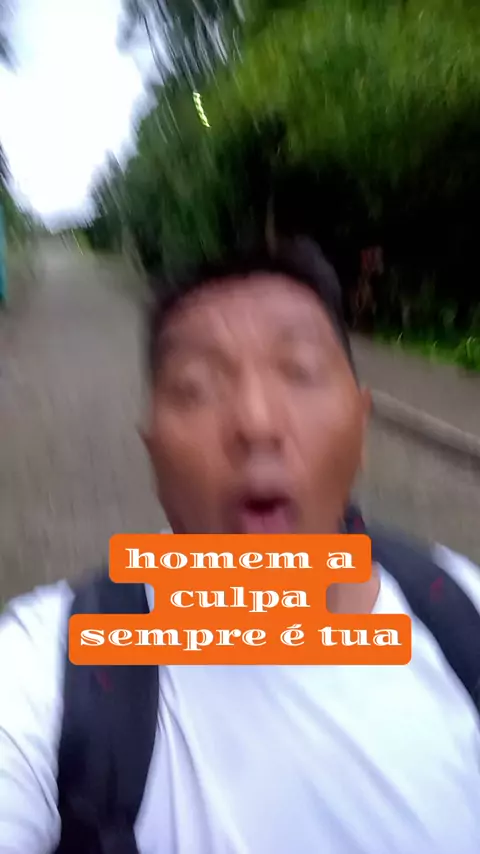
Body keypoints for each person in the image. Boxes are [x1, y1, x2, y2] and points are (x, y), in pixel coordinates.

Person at [1, 236, 480, 854]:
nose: (256, 423)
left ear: (361, 427)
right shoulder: (48, 677)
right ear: (153, 452)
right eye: (196, 387)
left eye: (300, 373)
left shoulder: (462, 616)